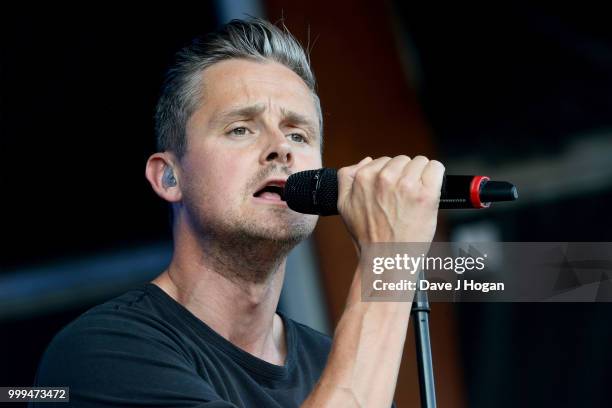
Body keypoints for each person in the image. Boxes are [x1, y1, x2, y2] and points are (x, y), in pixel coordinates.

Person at [31, 18, 444, 407]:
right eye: (241, 129)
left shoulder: (334, 366)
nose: (281, 148)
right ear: (169, 178)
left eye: (298, 134)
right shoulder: (102, 353)